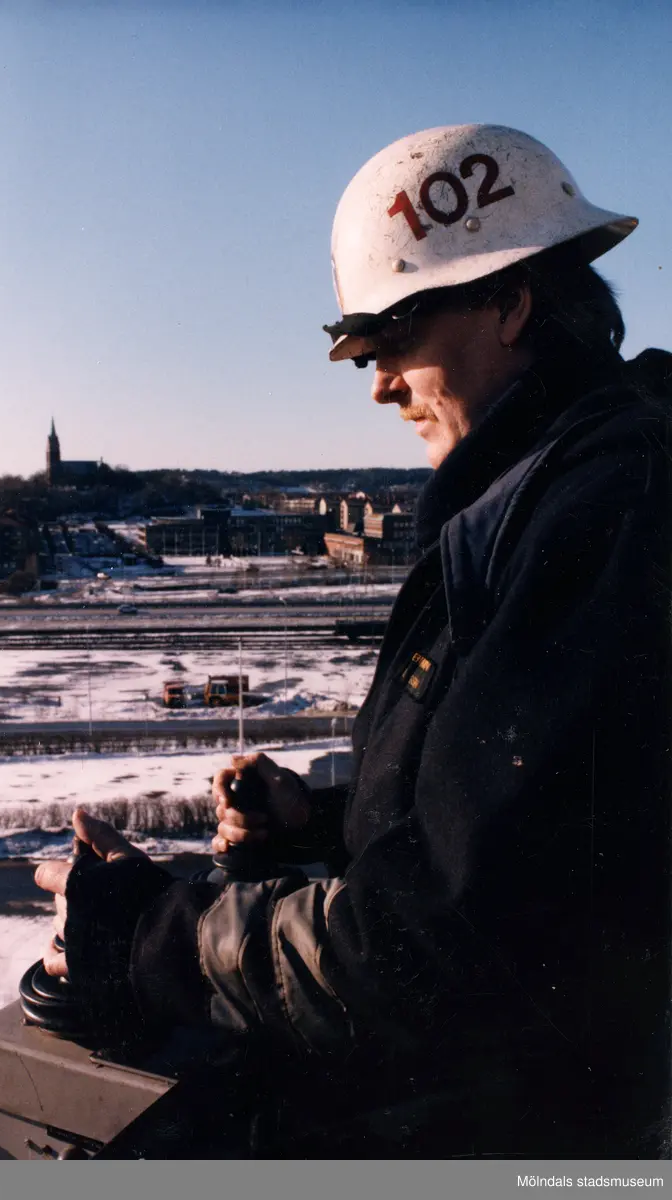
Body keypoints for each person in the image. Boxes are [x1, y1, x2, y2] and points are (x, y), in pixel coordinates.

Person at [35, 124, 672, 1158]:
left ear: (510, 303)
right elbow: (529, 827)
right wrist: (320, 823)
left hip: (531, 1125)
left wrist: (150, 931)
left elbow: (451, 943)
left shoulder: (606, 519)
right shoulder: (542, 497)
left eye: (388, 345)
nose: (377, 387)